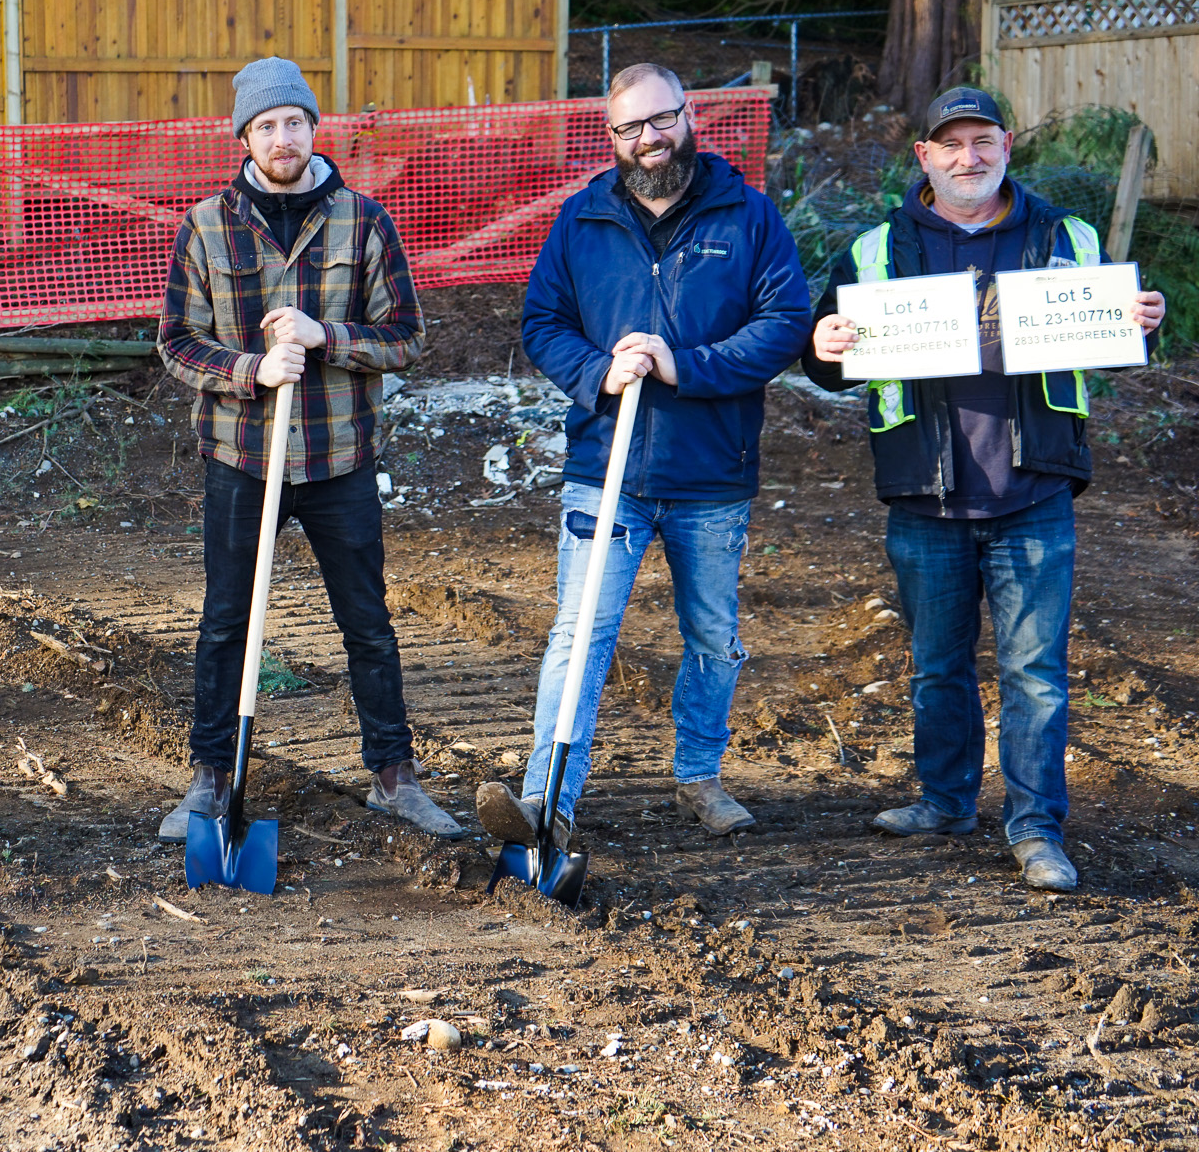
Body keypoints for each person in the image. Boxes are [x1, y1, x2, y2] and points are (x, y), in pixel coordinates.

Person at [803, 86, 1165, 893]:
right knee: (937, 666)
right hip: (925, 495)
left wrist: (1143, 319)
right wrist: (822, 345)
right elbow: (828, 359)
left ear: (1007, 145)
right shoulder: (877, 248)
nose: (969, 158)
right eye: (951, 145)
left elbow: (1108, 338)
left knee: (1035, 672)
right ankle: (945, 800)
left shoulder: (1061, 235)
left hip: (1032, 489)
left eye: (983, 142)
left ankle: (1036, 827)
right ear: (924, 157)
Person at [476, 63, 812, 850]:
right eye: (630, 128)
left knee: (712, 637)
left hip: (711, 472)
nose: (649, 139)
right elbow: (542, 322)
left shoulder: (747, 216)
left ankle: (699, 774)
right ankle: (547, 798)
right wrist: (599, 371)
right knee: (579, 632)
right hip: (607, 469)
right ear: (612, 136)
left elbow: (784, 322)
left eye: (661, 120)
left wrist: (682, 365)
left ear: (689, 116)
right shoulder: (583, 220)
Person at [157, 56, 460, 840]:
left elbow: (408, 337)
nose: (282, 137)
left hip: (338, 460)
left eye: (294, 121)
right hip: (240, 459)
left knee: (366, 621)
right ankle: (211, 778)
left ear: (314, 128)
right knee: (226, 622)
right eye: (266, 126)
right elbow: (177, 343)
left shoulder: (363, 220)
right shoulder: (205, 226)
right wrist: (250, 368)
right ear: (245, 137)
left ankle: (395, 776)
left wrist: (329, 337)